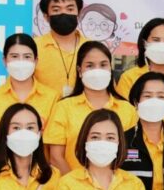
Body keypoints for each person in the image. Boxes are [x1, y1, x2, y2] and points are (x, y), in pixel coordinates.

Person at [44, 42, 137, 174]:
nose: (97, 70)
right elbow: (55, 157)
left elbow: (132, 155)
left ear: (110, 68)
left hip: (118, 185)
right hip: (71, 185)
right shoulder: (63, 108)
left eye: (103, 65)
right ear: (79, 71)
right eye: (90, 65)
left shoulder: (127, 110)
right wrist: (77, 184)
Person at [0, 33, 62, 164]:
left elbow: (54, 149)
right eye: (14, 56)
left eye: (27, 57)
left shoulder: (52, 97)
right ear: (5, 61)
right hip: (1, 172)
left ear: (36, 61)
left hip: (41, 173)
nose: (21, 62)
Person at [114, 17, 164, 108]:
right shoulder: (128, 78)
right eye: (156, 40)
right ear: (144, 43)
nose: (162, 45)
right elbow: (124, 112)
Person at [35, 0, 85, 94]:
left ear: (79, 13)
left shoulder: (93, 47)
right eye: (56, 10)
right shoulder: (33, 47)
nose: (64, 14)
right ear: (46, 16)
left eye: (70, 9)